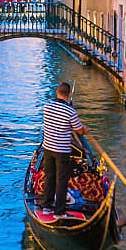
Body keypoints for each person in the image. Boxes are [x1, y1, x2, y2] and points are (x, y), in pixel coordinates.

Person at [39, 82, 89, 219]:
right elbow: (79, 131)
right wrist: (85, 128)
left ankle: (46, 208)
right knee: (61, 180)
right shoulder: (70, 112)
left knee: (49, 177)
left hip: (47, 148)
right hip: (62, 151)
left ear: (57, 92)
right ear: (68, 95)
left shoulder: (46, 107)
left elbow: (57, 118)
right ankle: (59, 212)